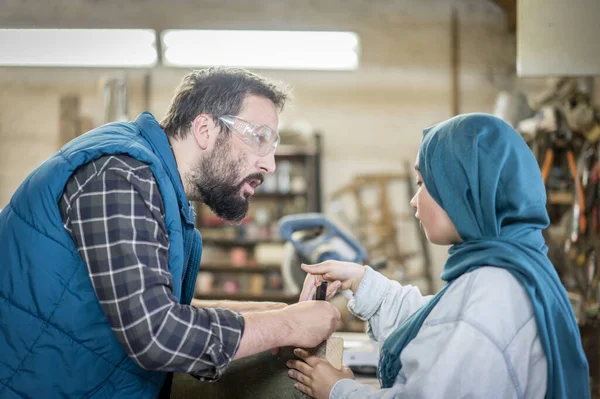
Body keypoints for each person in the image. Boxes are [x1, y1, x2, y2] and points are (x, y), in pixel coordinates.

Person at [0, 67, 340, 398]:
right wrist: (288, 327)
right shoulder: (120, 176)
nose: (270, 164)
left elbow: (150, 302)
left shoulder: (158, 187)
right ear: (205, 129)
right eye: (259, 138)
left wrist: (272, 315)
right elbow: (157, 333)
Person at [287, 113, 590, 399]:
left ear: (461, 190)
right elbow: (438, 323)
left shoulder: (490, 291)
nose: (413, 200)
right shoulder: (513, 269)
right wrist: (362, 281)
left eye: (422, 183)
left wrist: (338, 390)